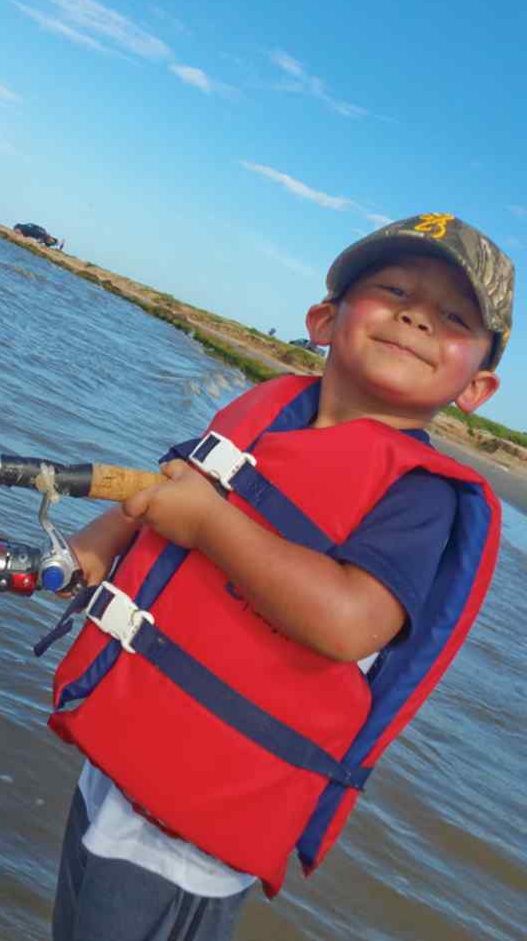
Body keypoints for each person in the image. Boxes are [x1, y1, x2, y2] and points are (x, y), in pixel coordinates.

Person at [49, 212, 514, 941]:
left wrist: (207, 523)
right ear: (325, 319)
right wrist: (88, 552)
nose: (414, 319)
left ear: (477, 386)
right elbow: (163, 494)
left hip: (195, 823)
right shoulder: (268, 414)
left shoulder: (423, 497)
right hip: (121, 764)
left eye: (453, 317)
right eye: (393, 289)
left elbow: (348, 620)